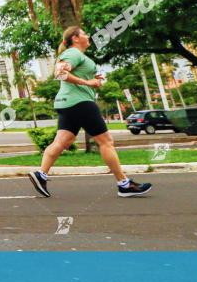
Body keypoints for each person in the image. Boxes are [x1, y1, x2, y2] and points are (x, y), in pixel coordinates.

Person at [29, 26, 152, 198]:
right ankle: (124, 184)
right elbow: (60, 73)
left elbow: (69, 74)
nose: (88, 36)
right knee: (106, 141)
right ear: (76, 38)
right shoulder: (74, 53)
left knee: (63, 140)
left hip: (65, 103)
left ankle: (41, 174)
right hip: (80, 103)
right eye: (84, 33)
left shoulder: (78, 55)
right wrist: (87, 83)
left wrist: (94, 81)